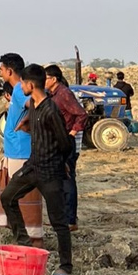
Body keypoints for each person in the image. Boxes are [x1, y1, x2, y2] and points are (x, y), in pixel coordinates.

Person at [1, 64, 74, 275]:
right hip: (32, 166)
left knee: (58, 220)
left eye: (23, 83)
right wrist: (27, 123)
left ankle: (66, 266)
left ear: (30, 85)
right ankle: (24, 243)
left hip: (50, 171)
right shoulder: (33, 104)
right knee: (7, 197)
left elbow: (65, 143)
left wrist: (62, 164)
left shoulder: (51, 110)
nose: (20, 86)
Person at [0, 53, 44, 247]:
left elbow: (37, 104)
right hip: (16, 149)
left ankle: (32, 239)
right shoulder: (17, 90)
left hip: (21, 150)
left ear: (9, 71)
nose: (0, 73)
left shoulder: (18, 90)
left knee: (22, 198)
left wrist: (28, 121)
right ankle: (26, 238)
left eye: (1, 69)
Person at [45, 65, 87, 231]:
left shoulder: (64, 94)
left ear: (54, 79)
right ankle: (62, 217)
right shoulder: (52, 94)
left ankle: (70, 220)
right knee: (58, 181)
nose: (43, 81)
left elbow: (82, 114)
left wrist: (72, 133)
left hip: (66, 142)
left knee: (67, 180)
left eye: (45, 78)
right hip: (57, 141)